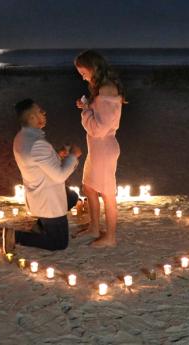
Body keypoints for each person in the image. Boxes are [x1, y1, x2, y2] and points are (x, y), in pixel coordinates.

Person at [4, 98, 82, 252]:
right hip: (49, 202)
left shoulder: (21, 137)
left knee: (72, 197)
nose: (44, 113)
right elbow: (59, 176)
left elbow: (37, 163)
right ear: (32, 117)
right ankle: (15, 236)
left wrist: (57, 155)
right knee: (58, 243)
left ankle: (41, 225)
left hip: (37, 194)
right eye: (40, 111)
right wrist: (73, 156)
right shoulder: (37, 144)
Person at [74, 50, 126, 248]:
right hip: (97, 148)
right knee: (88, 186)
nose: (82, 76)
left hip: (104, 147)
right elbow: (101, 116)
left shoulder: (106, 90)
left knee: (107, 193)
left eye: (83, 72)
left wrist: (85, 111)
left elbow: (98, 128)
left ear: (93, 68)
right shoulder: (101, 88)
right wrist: (87, 105)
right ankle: (95, 227)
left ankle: (110, 237)